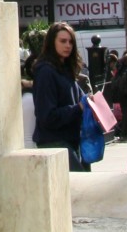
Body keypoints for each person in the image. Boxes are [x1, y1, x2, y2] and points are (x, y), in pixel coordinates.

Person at [32, 23, 89, 170]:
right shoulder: (46, 71)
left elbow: (80, 101)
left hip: (71, 141)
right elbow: (46, 115)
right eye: (63, 41)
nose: (68, 45)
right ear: (52, 42)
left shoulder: (66, 70)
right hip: (54, 143)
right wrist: (78, 108)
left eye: (70, 42)